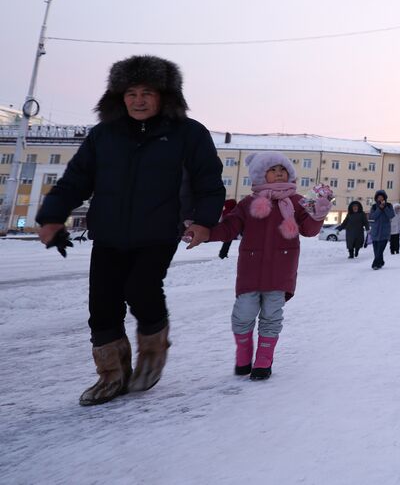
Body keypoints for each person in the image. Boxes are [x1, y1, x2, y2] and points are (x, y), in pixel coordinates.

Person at [34, 55, 225, 406]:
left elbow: (209, 184)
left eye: (147, 92)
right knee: (102, 305)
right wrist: (52, 216)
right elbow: (76, 179)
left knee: (141, 288)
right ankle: (111, 376)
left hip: (159, 231)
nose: (138, 100)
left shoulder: (188, 134)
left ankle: (152, 353)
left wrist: (203, 222)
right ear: (119, 96)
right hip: (108, 232)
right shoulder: (104, 135)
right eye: (131, 92)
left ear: (164, 96)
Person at [204, 151, 327, 380]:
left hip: (281, 271)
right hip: (251, 271)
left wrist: (318, 215)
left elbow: (309, 230)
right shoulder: (248, 203)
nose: (279, 174)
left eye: (283, 170)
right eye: (273, 170)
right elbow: (229, 229)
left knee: (272, 316)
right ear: (261, 175)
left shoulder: (297, 202)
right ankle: (243, 354)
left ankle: (263, 361)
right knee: (243, 314)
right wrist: (204, 232)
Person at [368, 190, 394, 270]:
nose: (380, 198)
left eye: (381, 197)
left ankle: (375, 264)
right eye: (378, 197)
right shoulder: (374, 207)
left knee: (381, 248)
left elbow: (391, 215)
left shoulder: (389, 205)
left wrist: (385, 208)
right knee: (376, 249)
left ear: (384, 198)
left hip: (385, 231)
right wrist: (379, 208)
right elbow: (372, 217)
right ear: (376, 198)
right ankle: (381, 261)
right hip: (375, 231)